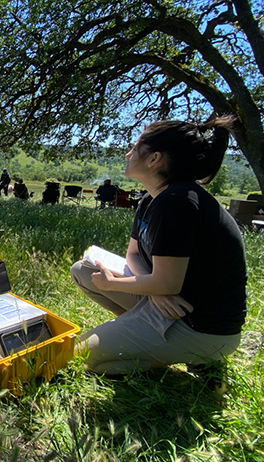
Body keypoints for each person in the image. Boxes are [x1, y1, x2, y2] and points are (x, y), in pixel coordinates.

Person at [70, 116, 247, 376]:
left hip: (200, 325)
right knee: (82, 270)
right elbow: (133, 254)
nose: (128, 153)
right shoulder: (153, 199)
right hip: (171, 302)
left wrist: (112, 285)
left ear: (154, 159)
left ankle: (194, 357)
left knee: (78, 357)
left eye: (136, 147)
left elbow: (168, 284)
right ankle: (140, 334)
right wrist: (154, 290)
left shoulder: (178, 202)